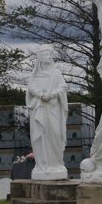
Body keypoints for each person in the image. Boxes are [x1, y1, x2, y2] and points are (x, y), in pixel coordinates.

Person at [26, 45, 68, 180]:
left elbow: (62, 87)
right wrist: (40, 95)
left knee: (55, 135)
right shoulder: (35, 74)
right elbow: (31, 87)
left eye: (50, 54)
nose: (49, 57)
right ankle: (43, 164)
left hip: (53, 108)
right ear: (40, 58)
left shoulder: (56, 73)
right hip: (40, 108)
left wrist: (51, 94)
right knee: (41, 136)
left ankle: (56, 163)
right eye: (47, 54)